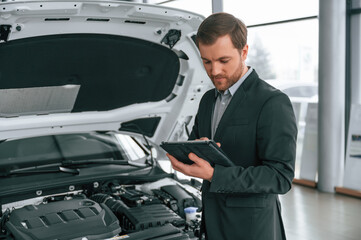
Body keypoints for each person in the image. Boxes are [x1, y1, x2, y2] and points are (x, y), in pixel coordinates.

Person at [167, 12, 297, 240]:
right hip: (213, 220)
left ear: (244, 52)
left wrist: (215, 174)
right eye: (206, 61)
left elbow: (280, 177)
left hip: (251, 228)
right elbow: (199, 142)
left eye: (223, 61)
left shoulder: (272, 102)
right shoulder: (208, 99)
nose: (214, 71)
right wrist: (191, 155)